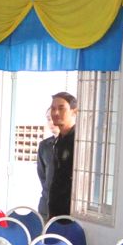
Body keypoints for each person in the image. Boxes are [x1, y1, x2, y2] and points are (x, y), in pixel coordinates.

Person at [38, 91, 77, 219]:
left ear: (74, 111)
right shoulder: (56, 142)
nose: (55, 113)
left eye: (61, 108)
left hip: (72, 213)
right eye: (53, 109)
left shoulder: (78, 141)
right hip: (53, 210)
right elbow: (45, 177)